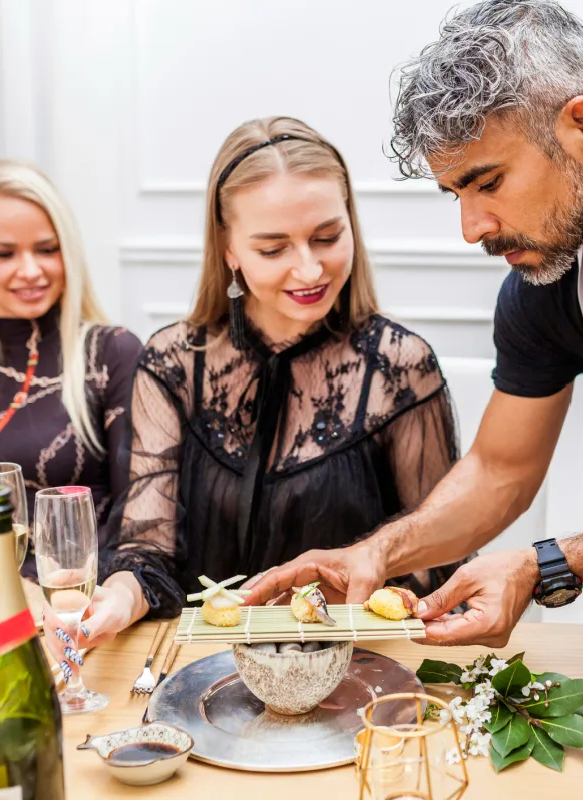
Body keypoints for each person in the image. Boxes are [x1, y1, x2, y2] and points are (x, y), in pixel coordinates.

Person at [245, 4, 583, 798]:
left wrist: (547, 564)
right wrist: (378, 554)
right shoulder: (546, 276)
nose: (473, 226)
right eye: (455, 195)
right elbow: (502, 468)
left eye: (488, 183)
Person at [71, 115, 466, 648]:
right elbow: (149, 553)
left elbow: (441, 558)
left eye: (327, 236)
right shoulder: (172, 364)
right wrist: (117, 598)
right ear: (229, 249)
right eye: (273, 249)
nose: (308, 270)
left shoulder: (399, 368)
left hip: (354, 673)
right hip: (201, 673)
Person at [0, 159, 142, 591]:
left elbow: (138, 515)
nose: (31, 270)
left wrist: (54, 592)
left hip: (95, 608)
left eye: (48, 249)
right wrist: (5, 596)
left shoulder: (112, 354)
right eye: (4, 253)